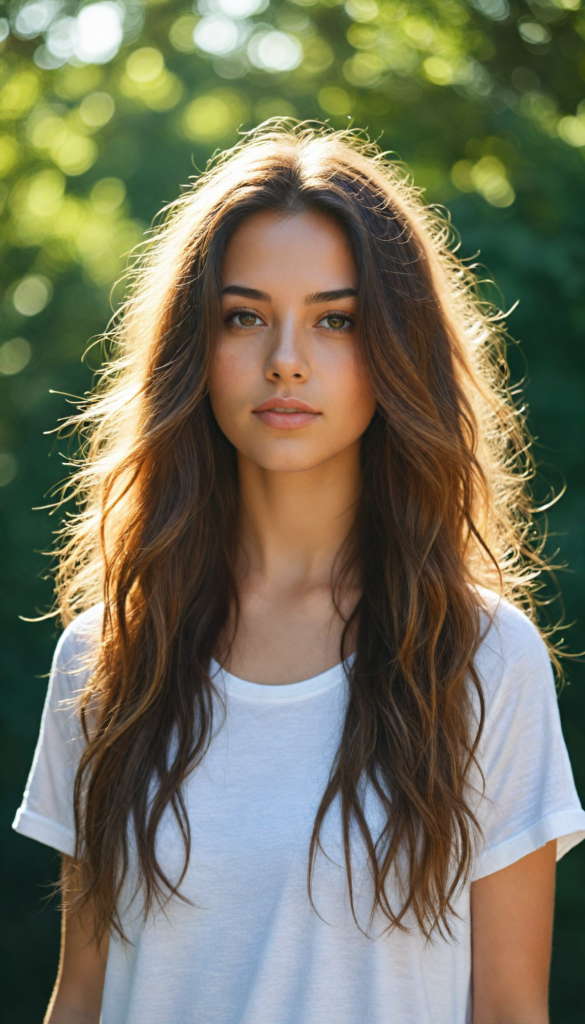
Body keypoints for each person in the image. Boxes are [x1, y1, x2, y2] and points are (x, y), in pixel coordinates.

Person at [13, 124, 585, 1024]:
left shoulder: (481, 659)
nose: (286, 357)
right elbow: (80, 994)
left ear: (396, 349)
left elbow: (511, 1007)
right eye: (244, 316)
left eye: (335, 320)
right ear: (193, 351)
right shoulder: (109, 654)